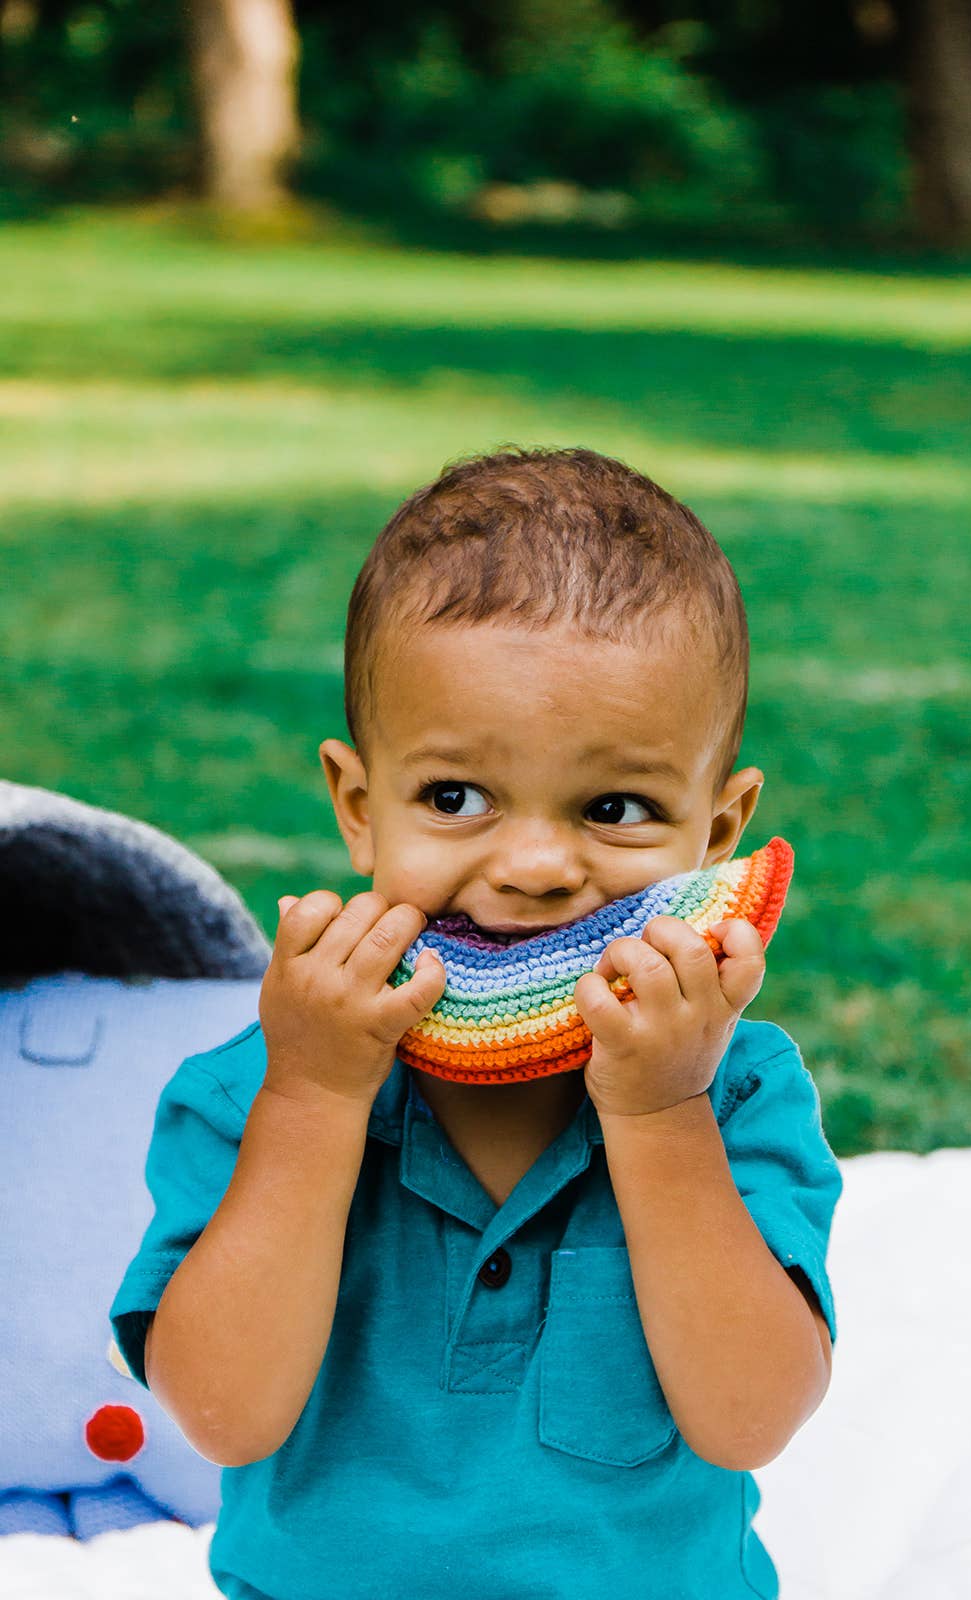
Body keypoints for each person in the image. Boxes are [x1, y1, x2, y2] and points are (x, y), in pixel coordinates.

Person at [109, 446, 842, 1600]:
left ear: (717, 829)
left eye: (615, 807)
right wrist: (314, 1099)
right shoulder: (253, 1086)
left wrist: (660, 1113)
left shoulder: (736, 1087)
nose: (539, 867)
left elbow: (749, 1416)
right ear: (360, 808)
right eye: (454, 798)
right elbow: (221, 1414)